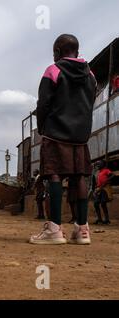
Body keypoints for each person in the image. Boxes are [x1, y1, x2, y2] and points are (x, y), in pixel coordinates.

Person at [30, 34, 97, 245]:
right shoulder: (91, 75)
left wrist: (42, 128)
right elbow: (90, 102)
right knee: (80, 177)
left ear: (57, 52)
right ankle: (82, 229)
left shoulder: (53, 70)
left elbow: (43, 104)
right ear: (76, 52)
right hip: (80, 136)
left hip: (56, 133)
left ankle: (55, 229)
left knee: (54, 175)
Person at [93, 160, 114, 225]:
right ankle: (99, 219)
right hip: (99, 189)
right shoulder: (99, 172)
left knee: (103, 204)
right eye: (97, 164)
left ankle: (107, 219)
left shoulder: (106, 170)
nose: (98, 165)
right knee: (96, 204)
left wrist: (107, 180)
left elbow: (112, 175)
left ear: (103, 165)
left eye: (99, 164)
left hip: (104, 189)